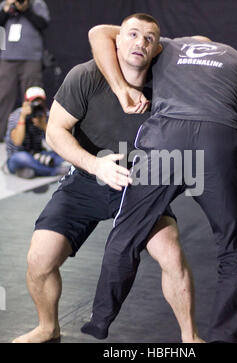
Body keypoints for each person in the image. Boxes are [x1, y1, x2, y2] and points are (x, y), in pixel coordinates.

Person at [12, 14, 203, 343]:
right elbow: (56, 132)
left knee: (171, 253)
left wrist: (168, 45)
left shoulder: (168, 81)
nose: (139, 43)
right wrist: (95, 165)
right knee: (39, 258)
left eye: (148, 39)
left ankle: (190, 338)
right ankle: (48, 328)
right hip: (86, 179)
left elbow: (202, 44)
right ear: (115, 40)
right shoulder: (86, 75)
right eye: (131, 34)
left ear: (158, 49)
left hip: (139, 186)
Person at [81, 13, 237, 343]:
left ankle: (100, 320)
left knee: (128, 231)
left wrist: (121, 90)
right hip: (218, 141)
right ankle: (226, 338)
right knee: (235, 249)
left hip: (166, 139)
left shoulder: (166, 47)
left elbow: (99, 32)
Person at [0, 0, 50, 141]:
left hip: (31, 58)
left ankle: (32, 133)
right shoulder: (6, 3)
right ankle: (1, 133)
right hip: (8, 57)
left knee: (33, 97)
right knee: (3, 96)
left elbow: (43, 24)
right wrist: (6, 10)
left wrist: (26, 9)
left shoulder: (37, 4)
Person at [4, 86, 66, 178]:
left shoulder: (45, 114)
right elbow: (17, 142)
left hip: (38, 154)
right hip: (17, 156)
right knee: (23, 158)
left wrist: (44, 126)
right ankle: (53, 171)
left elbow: (58, 142)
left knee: (63, 153)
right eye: (34, 101)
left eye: (39, 101)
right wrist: (22, 117)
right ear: (26, 102)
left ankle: (30, 170)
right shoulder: (16, 115)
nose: (37, 104)